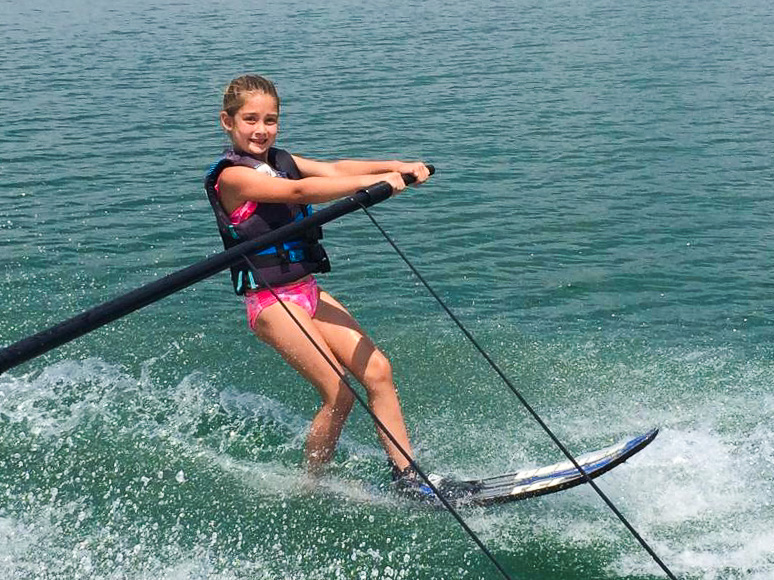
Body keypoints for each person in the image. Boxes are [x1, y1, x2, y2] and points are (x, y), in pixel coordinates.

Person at [205, 74, 443, 494]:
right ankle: (311, 485)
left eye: (271, 120)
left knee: (378, 371)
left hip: (306, 290)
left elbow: (334, 169)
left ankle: (407, 479)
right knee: (339, 392)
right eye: (250, 120)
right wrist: (379, 187)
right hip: (270, 301)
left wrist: (396, 167)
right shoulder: (233, 178)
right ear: (227, 121)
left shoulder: (280, 159)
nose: (261, 130)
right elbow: (299, 189)